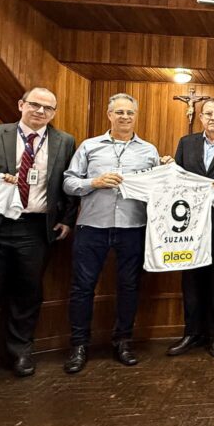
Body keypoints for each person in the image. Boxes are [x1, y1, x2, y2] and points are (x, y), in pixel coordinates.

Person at [0, 87, 77, 390]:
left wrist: (67, 219)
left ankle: (20, 351)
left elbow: (67, 183)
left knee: (28, 293)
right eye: (35, 105)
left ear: (54, 112)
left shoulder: (64, 141)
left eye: (48, 108)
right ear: (21, 105)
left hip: (36, 228)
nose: (41, 111)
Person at [62, 93, 162, 373]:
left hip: (133, 227)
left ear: (136, 116)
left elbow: (158, 187)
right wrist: (93, 182)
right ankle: (79, 345)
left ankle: (123, 342)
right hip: (92, 226)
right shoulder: (89, 146)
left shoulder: (149, 151)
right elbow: (68, 182)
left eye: (130, 112)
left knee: (129, 287)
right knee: (82, 288)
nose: (125, 117)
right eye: (119, 112)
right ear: (109, 115)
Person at [169, 98, 214, 358]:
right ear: (200, 117)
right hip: (188, 225)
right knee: (190, 279)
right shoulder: (186, 143)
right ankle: (192, 333)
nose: (213, 118)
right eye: (208, 114)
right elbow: (176, 178)